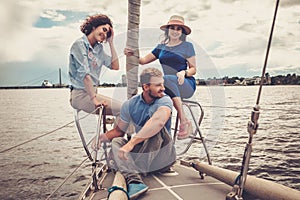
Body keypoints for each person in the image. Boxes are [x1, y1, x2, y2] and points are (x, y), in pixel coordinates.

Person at [94, 68, 176, 199]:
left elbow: (159, 121)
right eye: (158, 85)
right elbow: (119, 131)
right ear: (146, 87)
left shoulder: (165, 100)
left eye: (162, 84)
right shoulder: (130, 105)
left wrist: (131, 144)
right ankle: (136, 181)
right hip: (143, 153)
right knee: (117, 142)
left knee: (155, 129)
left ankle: (130, 170)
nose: (163, 88)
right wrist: (101, 138)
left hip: (163, 157)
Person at [125, 15, 196, 139]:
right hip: (168, 86)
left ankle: (184, 121)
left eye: (178, 29)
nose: (175, 31)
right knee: (159, 98)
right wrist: (131, 53)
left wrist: (184, 72)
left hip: (185, 84)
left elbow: (193, 69)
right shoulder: (161, 47)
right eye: (172, 28)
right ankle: (162, 141)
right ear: (168, 30)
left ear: (182, 32)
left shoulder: (187, 46)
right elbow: (142, 61)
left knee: (166, 79)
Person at [69, 14, 121, 115]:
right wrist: (94, 100)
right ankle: (116, 131)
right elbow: (85, 75)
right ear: (94, 27)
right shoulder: (79, 45)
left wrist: (111, 43)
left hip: (93, 93)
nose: (105, 35)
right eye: (104, 29)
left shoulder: (99, 49)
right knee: (123, 109)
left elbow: (115, 66)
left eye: (108, 34)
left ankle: (115, 130)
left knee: (125, 109)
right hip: (81, 95)